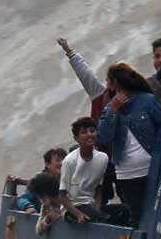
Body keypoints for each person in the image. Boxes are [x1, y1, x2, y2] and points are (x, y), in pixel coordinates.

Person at [97, 62, 161, 227]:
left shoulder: (147, 100)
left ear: (115, 82)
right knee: (138, 217)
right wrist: (113, 110)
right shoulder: (110, 107)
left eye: (108, 81)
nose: (107, 85)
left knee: (158, 213)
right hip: (126, 173)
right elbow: (103, 137)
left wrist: (158, 153)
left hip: (151, 168)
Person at [57, 38, 120, 204]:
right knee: (98, 192)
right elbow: (85, 74)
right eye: (110, 80)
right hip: (98, 157)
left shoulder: (131, 100)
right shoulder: (100, 94)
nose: (112, 84)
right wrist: (70, 52)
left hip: (122, 159)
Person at [59, 117, 129, 226]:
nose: (89, 135)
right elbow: (62, 197)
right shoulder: (70, 161)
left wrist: (97, 209)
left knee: (124, 210)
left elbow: (98, 188)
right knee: (103, 219)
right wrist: (78, 215)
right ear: (76, 138)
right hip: (72, 208)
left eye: (92, 131)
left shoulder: (103, 158)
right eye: (83, 132)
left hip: (90, 205)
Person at [10, 148, 67, 214]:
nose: (61, 163)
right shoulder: (40, 181)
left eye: (64, 160)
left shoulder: (68, 180)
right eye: (58, 160)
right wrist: (28, 207)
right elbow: (22, 199)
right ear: (47, 164)